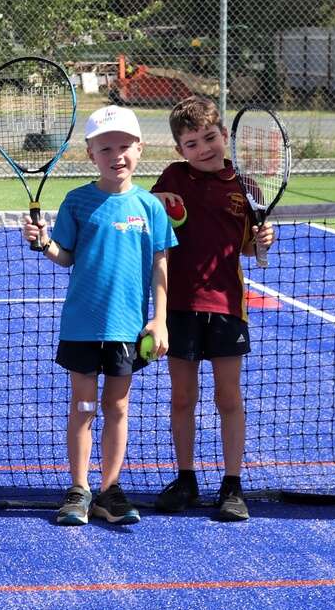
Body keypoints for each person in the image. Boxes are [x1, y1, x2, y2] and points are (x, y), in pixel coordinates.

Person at [24, 105, 175, 527]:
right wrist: (44, 244)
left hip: (129, 328)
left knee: (118, 405)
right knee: (85, 405)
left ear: (140, 149)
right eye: (106, 147)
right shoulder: (78, 202)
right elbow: (65, 255)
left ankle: (109, 489)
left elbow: (161, 265)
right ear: (91, 154)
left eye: (125, 146)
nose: (117, 155)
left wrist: (160, 319)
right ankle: (79, 488)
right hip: (82, 327)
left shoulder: (150, 207)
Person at [149, 96, 274, 523]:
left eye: (209, 137)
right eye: (191, 143)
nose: (203, 148)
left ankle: (232, 484)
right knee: (183, 397)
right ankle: (186, 478)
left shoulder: (248, 189)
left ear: (224, 135)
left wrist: (260, 245)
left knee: (228, 398)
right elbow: (150, 219)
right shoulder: (171, 178)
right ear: (178, 151)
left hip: (226, 308)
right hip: (179, 307)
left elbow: (249, 249)